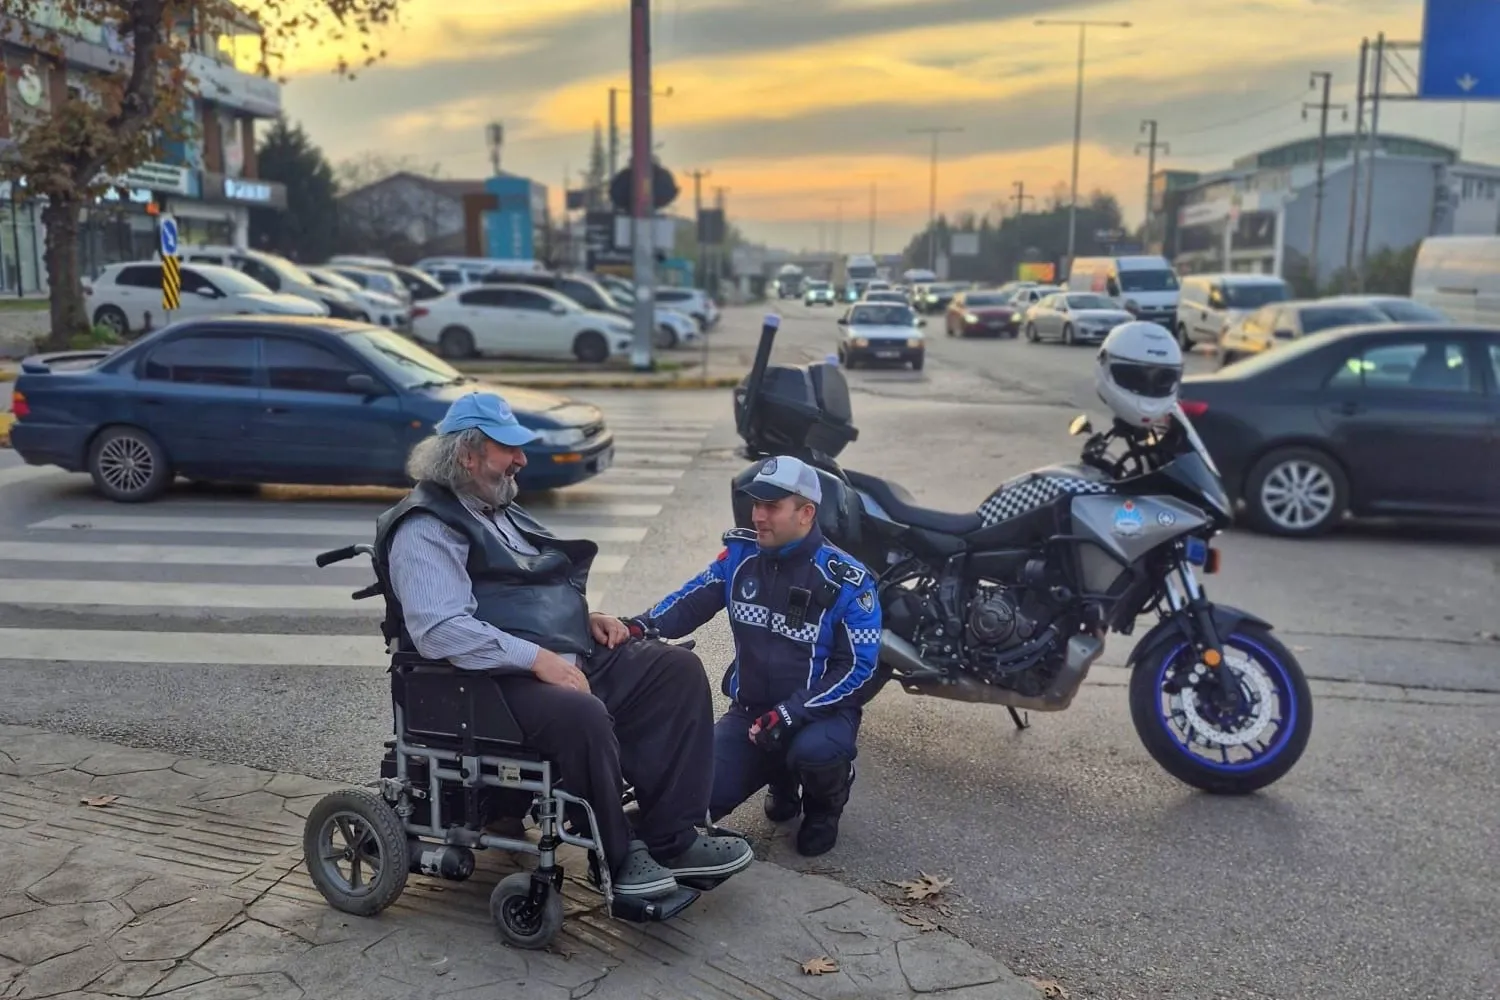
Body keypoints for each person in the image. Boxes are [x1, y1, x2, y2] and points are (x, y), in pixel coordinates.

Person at [374, 391, 754, 900]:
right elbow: (440, 629)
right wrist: (538, 659)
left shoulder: (493, 508)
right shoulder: (425, 528)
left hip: (549, 657)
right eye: (508, 448)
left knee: (675, 670)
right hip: (484, 681)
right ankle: (615, 858)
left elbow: (527, 589)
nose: (521, 459)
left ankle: (672, 837)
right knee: (582, 714)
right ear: (467, 454)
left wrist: (583, 620)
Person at [628, 456, 883, 856]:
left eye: (772, 506)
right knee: (687, 804)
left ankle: (824, 807)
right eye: (756, 504)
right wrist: (637, 627)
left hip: (819, 715)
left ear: (806, 513)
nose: (758, 516)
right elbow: (687, 603)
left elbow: (859, 669)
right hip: (751, 715)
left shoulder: (847, 579)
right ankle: (781, 779)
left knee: (817, 753)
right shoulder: (739, 557)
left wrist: (790, 714)